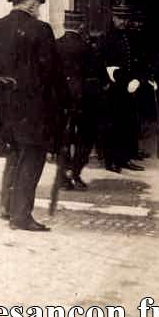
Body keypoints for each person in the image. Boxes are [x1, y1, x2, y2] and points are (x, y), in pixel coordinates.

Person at [0, 0, 67, 232]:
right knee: (33, 157)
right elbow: (53, 73)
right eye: (37, 5)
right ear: (31, 3)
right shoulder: (41, 29)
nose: (38, 9)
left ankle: (7, 207)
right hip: (34, 107)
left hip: (5, 106)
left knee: (14, 153)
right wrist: (63, 103)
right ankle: (21, 216)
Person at [100, 4, 156, 173]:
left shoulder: (131, 38)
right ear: (113, 18)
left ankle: (125, 158)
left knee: (128, 123)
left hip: (130, 88)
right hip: (114, 89)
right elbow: (103, 65)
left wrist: (138, 80)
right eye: (120, 18)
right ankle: (111, 161)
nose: (123, 22)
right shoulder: (107, 38)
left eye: (126, 19)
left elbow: (138, 62)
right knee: (113, 125)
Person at [55, 10, 101, 190]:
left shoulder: (55, 45)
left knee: (62, 139)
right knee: (86, 137)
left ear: (64, 25)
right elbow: (95, 74)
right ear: (81, 26)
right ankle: (75, 173)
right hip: (83, 100)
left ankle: (63, 177)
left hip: (60, 100)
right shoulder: (86, 47)